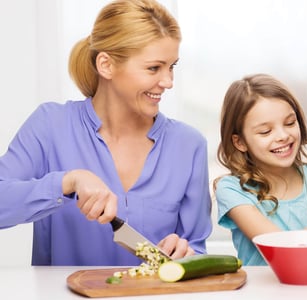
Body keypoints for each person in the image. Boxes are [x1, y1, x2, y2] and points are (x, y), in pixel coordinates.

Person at [0, 0, 212, 266]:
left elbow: (196, 248)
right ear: (106, 65)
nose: (168, 82)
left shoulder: (189, 145)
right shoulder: (50, 125)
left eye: (172, 66)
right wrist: (68, 181)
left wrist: (186, 253)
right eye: (154, 68)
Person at [214, 74, 307, 266]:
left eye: (290, 123)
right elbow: (279, 248)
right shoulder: (232, 189)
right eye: (266, 131)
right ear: (240, 142)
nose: (283, 136)